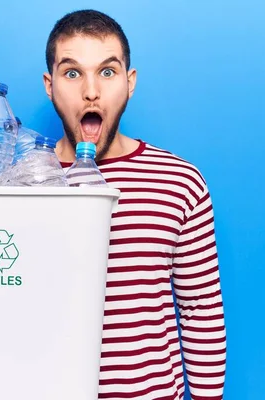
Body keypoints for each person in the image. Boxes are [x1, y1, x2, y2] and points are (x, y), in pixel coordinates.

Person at [43, 9, 227, 400]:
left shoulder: (180, 182)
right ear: (49, 85)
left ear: (130, 83)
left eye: (107, 72)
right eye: (72, 73)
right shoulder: (16, 182)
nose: (90, 91)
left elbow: (200, 311)